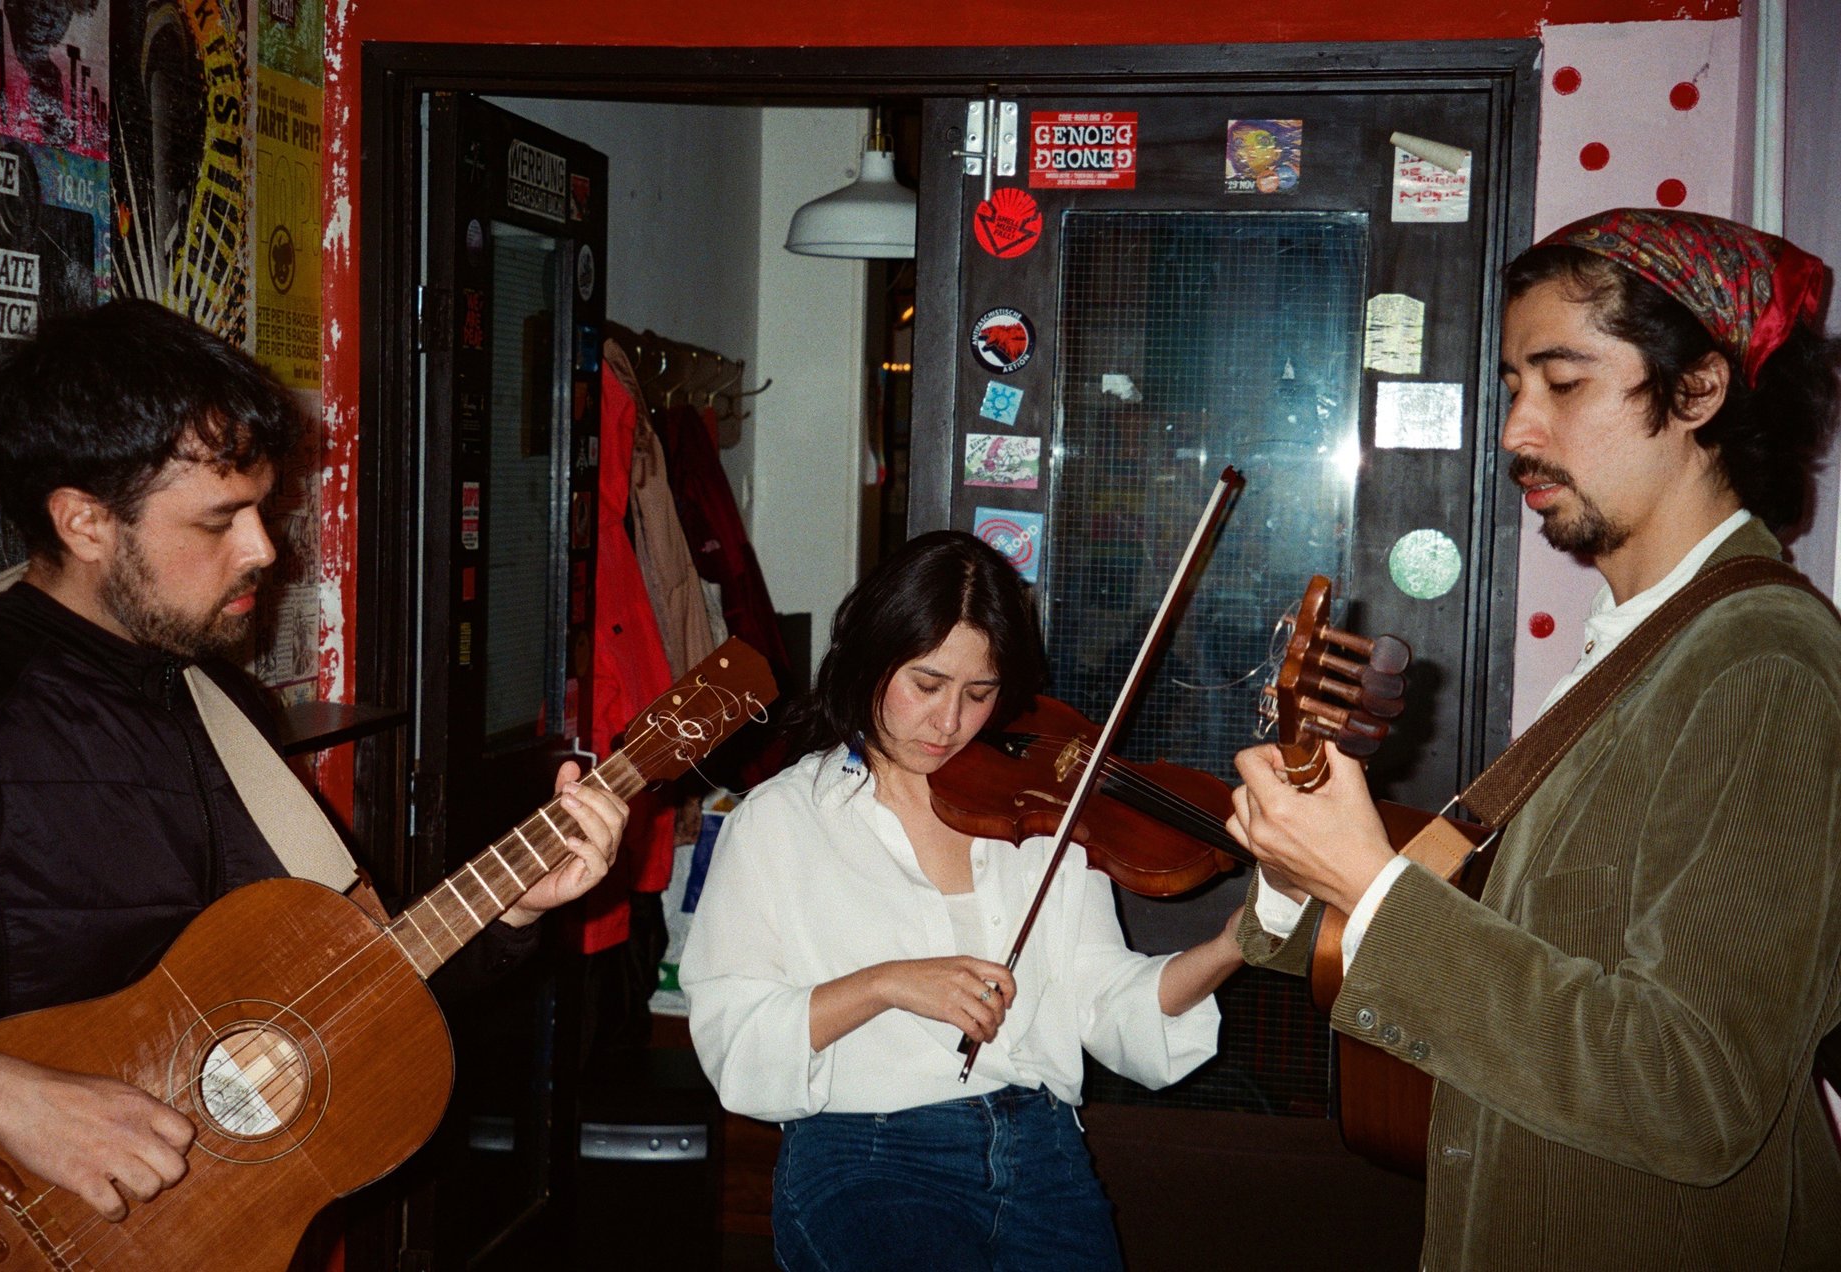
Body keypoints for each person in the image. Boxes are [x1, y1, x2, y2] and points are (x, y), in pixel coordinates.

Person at [0, 299, 630, 1225]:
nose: (265, 549)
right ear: (85, 523)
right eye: (221, 521)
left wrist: (514, 910)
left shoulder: (221, 703)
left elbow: (342, 992)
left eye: (263, 508)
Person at [1229, 208, 1841, 1268]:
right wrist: (1308, 864)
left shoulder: (1761, 664)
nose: (1517, 430)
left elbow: (1693, 1088)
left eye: (1564, 383)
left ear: (1699, 389)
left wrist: (1372, 890)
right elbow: (1534, 944)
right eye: (1517, 386)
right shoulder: (1646, 642)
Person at [681, 530, 1243, 1271]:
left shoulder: (1043, 812)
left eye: (979, 695)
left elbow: (1108, 1004)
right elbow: (735, 1040)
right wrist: (886, 984)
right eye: (926, 684)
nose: (949, 723)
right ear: (869, 659)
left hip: (1043, 1154)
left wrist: (1238, 943)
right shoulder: (782, 821)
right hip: (867, 1156)